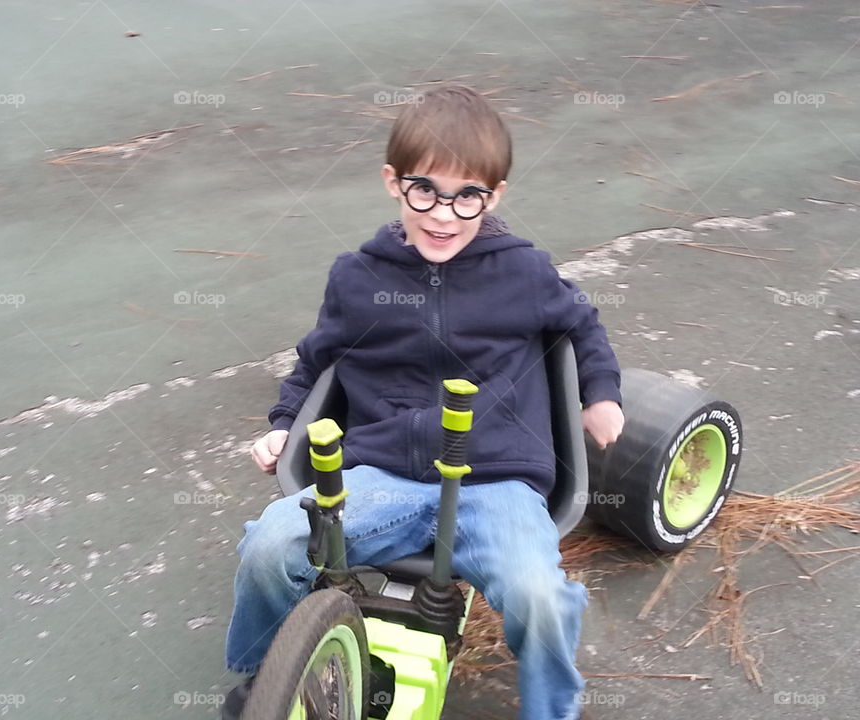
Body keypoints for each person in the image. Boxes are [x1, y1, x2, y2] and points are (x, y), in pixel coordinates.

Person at [223, 85, 624, 720]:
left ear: (495, 195)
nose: (444, 214)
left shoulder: (522, 272)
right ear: (393, 182)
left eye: (469, 195)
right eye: (425, 191)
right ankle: (265, 675)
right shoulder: (358, 278)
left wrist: (600, 395)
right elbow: (317, 359)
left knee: (539, 595)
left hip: (495, 482)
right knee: (271, 546)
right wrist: (284, 423)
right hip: (382, 476)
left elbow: (582, 327)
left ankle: (552, 709)